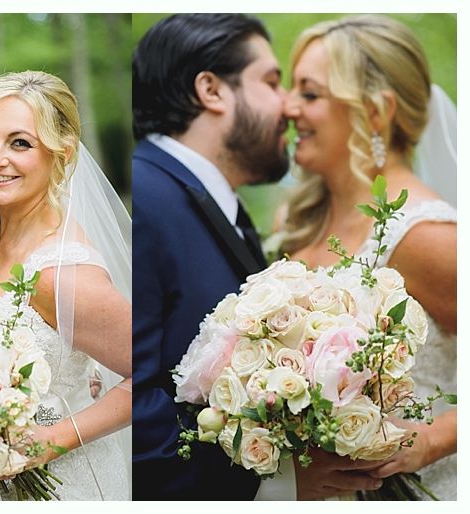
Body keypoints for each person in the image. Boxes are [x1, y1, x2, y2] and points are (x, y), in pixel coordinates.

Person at [132, 14, 386, 500]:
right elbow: (134, 402)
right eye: (272, 82)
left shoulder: (213, 201)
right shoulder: (146, 200)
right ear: (211, 90)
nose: (290, 105)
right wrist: (272, 484)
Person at [277, 15, 457, 500]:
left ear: (375, 114)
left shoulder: (426, 236)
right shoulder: (301, 221)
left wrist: (432, 439)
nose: (287, 106)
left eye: (309, 94)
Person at [0, 71, 132, 501]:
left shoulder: (63, 274)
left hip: (63, 486)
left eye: (20, 143)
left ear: (61, 154)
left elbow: (153, 373)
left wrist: (56, 438)